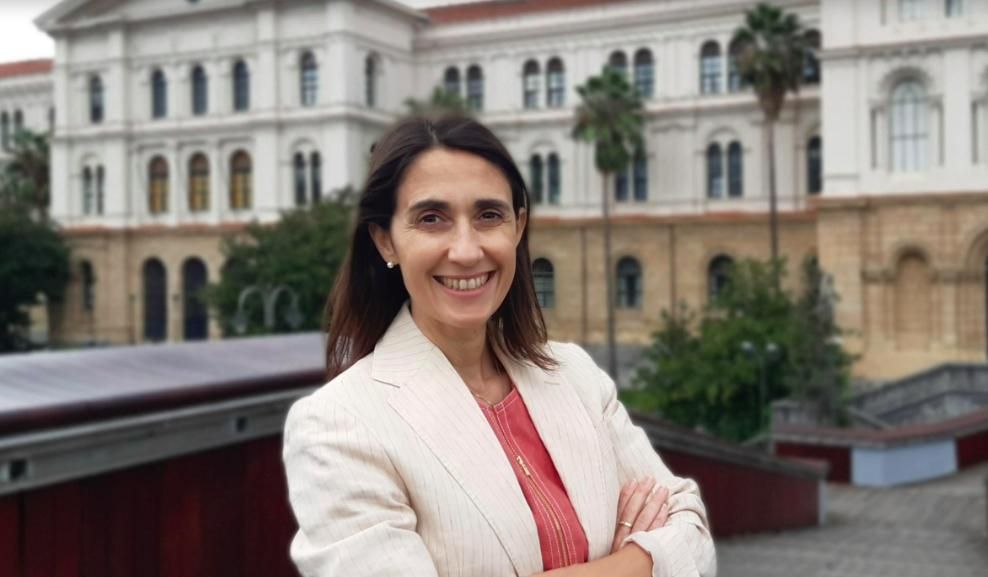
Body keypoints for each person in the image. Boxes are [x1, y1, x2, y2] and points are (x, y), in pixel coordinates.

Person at [282, 116, 716, 577]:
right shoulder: (338, 425)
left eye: (489, 215)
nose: (467, 250)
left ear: (518, 226)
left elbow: (692, 532)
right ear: (386, 240)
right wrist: (634, 561)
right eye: (432, 219)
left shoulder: (573, 375)